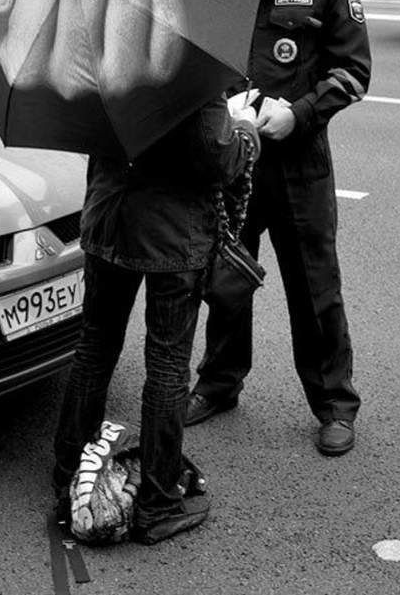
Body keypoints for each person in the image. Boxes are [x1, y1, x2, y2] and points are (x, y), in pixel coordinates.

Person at [186, 0, 372, 457]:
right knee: (227, 281)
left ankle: (334, 405)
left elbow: (353, 72)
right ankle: (218, 384)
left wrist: (301, 114)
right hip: (234, 161)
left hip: (299, 165)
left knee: (315, 287)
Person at [53, 93, 260, 545]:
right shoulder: (190, 68)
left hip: (109, 216)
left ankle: (70, 476)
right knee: (167, 366)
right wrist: (245, 129)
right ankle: (159, 503)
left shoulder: (101, 55)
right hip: (172, 232)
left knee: (93, 349)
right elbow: (218, 158)